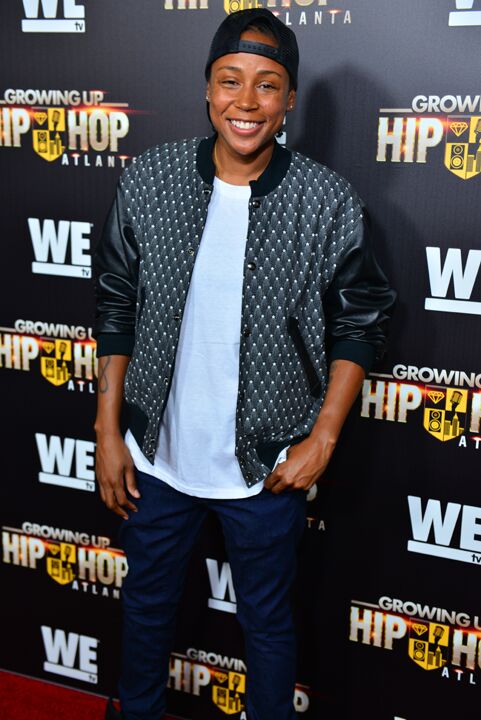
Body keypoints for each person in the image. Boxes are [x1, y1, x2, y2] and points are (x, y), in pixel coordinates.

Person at [93, 8, 395, 720]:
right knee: (144, 612)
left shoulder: (325, 200)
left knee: (266, 623)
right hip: (156, 459)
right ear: (207, 88)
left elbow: (361, 322)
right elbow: (115, 303)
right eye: (230, 80)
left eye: (267, 84)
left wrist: (322, 438)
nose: (247, 101)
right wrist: (108, 430)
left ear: (289, 100)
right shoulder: (152, 179)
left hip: (267, 465)